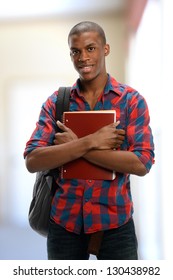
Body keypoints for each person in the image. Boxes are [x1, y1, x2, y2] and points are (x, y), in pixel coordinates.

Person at [24, 21, 155, 260]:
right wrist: (91, 141)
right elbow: (33, 160)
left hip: (116, 223)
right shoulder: (57, 103)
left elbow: (142, 163)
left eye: (91, 48)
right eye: (76, 51)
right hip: (65, 223)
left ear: (105, 49)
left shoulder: (131, 101)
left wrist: (74, 145)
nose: (83, 57)